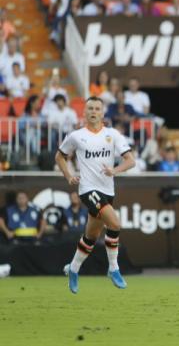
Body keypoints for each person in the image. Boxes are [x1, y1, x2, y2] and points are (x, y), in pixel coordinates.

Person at [55, 96, 136, 294]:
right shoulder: (76, 136)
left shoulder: (112, 134)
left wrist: (114, 170)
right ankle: (114, 268)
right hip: (88, 190)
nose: (93, 112)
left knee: (91, 236)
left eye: (97, 108)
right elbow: (60, 156)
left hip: (108, 190)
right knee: (115, 223)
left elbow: (130, 160)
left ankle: (73, 269)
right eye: (90, 108)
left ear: (102, 112)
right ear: (84, 112)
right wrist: (68, 175)